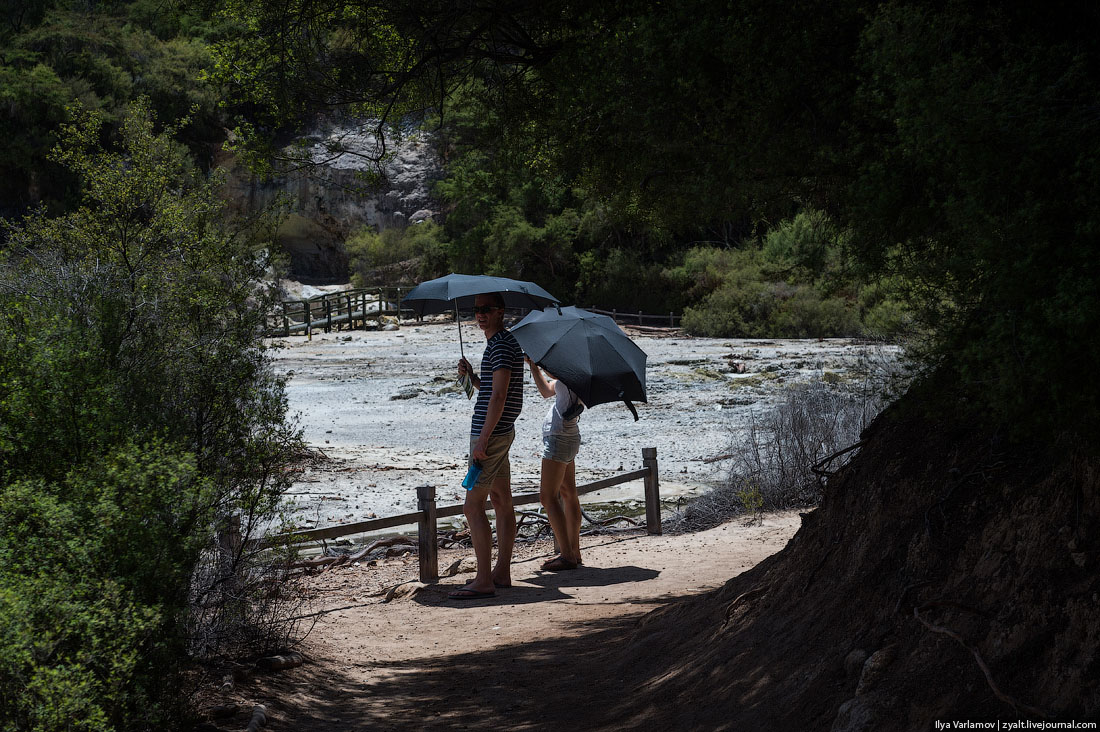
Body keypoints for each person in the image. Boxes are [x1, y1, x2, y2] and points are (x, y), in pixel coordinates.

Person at [449, 292, 524, 599]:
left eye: (486, 309)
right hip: (499, 432)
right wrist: (472, 378)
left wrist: (482, 440)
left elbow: (499, 397)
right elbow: (492, 389)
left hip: (489, 436)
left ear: (499, 312)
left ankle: (483, 580)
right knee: (502, 499)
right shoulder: (499, 344)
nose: (479, 314)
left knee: (472, 505)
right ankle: (501, 572)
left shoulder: (502, 345)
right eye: (476, 309)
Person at [527, 357, 584, 571]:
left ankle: (567, 555)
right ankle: (574, 551)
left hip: (559, 437)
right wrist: (534, 367)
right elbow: (546, 390)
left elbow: (554, 377)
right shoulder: (578, 375)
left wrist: (539, 362)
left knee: (547, 497)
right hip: (568, 436)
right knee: (569, 493)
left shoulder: (572, 373)